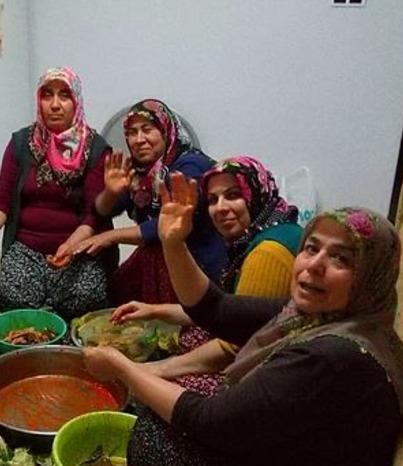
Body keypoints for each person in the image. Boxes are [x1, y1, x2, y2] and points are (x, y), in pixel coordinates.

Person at [84, 172, 403, 466]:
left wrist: (122, 368)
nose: (314, 265)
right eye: (312, 248)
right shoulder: (317, 316)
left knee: (152, 436)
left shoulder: (332, 355)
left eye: (341, 259)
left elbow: (210, 422)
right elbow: (216, 309)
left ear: (372, 276)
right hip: (291, 444)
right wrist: (173, 243)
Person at [112, 156, 302, 395]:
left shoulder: (268, 252)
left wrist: (154, 370)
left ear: (256, 192)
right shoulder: (260, 231)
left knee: (156, 394)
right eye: (212, 200)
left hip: (262, 378)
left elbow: (234, 345)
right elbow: (223, 309)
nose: (220, 208)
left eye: (233, 195)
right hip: (246, 346)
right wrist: (153, 310)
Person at [0, 67, 113, 320]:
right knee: (14, 298)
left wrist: (70, 246)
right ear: (39, 100)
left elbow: (94, 215)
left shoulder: (96, 148)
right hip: (26, 246)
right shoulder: (22, 143)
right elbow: (2, 199)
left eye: (64, 96)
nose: (55, 105)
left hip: (76, 248)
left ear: (76, 101)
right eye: (47, 95)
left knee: (84, 297)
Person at [77, 99, 225, 305]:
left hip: (198, 261)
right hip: (159, 255)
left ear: (165, 131)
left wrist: (110, 237)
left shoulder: (192, 165)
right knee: (113, 291)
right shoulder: (141, 172)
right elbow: (102, 210)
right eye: (131, 132)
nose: (139, 139)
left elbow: (164, 227)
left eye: (147, 129)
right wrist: (111, 192)